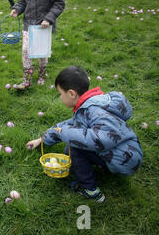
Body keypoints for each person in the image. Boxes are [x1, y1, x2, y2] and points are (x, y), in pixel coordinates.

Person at [26, 66, 143, 203]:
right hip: (128, 153)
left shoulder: (91, 110)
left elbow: (97, 139)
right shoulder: (92, 104)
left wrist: (66, 134)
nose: (60, 97)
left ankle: (91, 191)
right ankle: (100, 167)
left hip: (124, 160)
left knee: (75, 148)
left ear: (71, 93)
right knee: (71, 145)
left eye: (60, 94)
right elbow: (70, 124)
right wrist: (42, 139)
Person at [10, 0, 65, 90]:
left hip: (43, 25)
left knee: (42, 53)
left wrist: (49, 18)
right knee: (26, 50)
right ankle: (27, 80)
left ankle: (42, 74)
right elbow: (22, 1)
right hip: (29, 23)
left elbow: (59, 2)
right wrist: (17, 9)